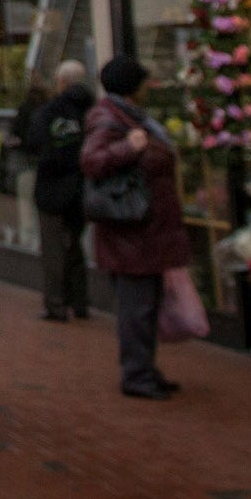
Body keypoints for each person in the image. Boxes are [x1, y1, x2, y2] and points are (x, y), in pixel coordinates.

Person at [81, 54, 190, 400]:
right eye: (143, 82)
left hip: (145, 230)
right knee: (137, 308)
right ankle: (137, 374)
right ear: (132, 87)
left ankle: (145, 368)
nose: (149, 87)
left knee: (146, 306)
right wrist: (129, 148)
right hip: (131, 232)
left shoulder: (130, 117)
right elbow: (92, 161)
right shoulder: (109, 121)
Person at [27, 59, 96, 321]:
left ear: (62, 82)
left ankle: (56, 304)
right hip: (82, 188)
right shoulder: (92, 110)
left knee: (54, 248)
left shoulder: (49, 112)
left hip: (52, 188)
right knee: (75, 244)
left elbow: (34, 143)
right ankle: (80, 301)